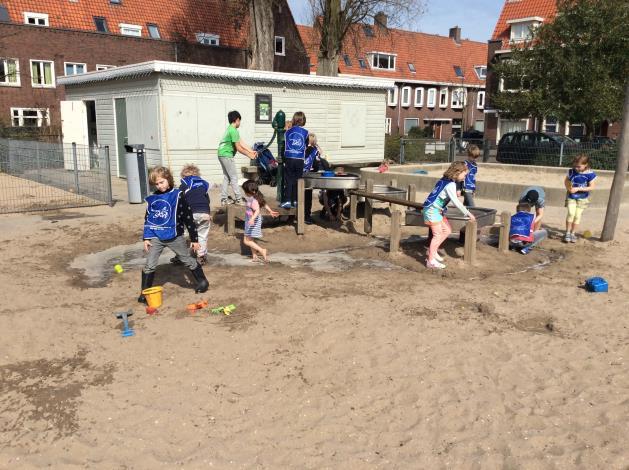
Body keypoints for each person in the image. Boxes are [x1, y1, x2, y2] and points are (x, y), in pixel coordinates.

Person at [138, 166, 209, 304]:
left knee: (187, 260)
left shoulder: (178, 195)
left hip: (175, 236)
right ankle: (144, 292)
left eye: (162, 182)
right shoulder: (154, 198)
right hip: (156, 237)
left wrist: (194, 239)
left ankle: (202, 281)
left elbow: (188, 217)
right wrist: (146, 237)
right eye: (156, 184)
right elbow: (148, 218)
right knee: (149, 265)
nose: (159, 186)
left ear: (168, 180)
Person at [422, 162, 475, 269]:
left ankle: (432, 251)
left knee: (447, 230)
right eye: (464, 175)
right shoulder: (451, 184)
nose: (465, 178)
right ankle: (430, 261)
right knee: (437, 234)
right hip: (432, 210)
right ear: (457, 172)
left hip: (436, 209)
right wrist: (468, 213)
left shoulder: (444, 180)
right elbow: (456, 202)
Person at [217, 110, 257, 206]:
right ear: (237, 120)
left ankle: (224, 199)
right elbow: (239, 148)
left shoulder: (231, 129)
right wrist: (249, 155)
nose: (240, 123)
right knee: (234, 177)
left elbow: (241, 143)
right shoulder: (233, 131)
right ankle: (239, 199)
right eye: (240, 121)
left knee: (227, 177)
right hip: (226, 155)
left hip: (221, 154)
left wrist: (251, 151)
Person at [179, 164, 211, 265]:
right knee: (202, 235)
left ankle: (181, 256)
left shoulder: (184, 183)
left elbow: (180, 198)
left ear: (183, 175)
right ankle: (201, 256)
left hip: (191, 212)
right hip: (205, 213)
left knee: (183, 234)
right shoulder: (202, 184)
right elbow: (207, 199)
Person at [241, 180, 279, 263]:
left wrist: (252, 219)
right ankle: (254, 256)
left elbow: (257, 210)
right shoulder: (255, 197)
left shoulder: (254, 201)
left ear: (250, 191)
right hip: (251, 220)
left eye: (245, 191)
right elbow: (264, 203)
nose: (244, 193)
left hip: (252, 220)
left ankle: (262, 250)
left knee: (246, 241)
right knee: (250, 238)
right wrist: (270, 211)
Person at [564, 154, 596, 243]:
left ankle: (573, 233)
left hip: (583, 198)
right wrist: (569, 188)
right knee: (571, 213)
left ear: (585, 165)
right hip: (572, 197)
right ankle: (567, 233)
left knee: (577, 216)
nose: (576, 168)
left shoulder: (590, 174)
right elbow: (566, 181)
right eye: (575, 166)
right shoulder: (571, 172)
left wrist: (578, 189)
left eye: (579, 166)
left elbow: (592, 187)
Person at [281, 111, 309, 209]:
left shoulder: (288, 132)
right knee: (298, 180)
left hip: (289, 157)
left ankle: (287, 200)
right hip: (300, 158)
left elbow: (284, 144)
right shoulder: (306, 133)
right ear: (303, 120)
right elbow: (306, 145)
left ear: (293, 119)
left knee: (289, 179)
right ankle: (296, 200)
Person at [303, 133, 329, 224]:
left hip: (300, 174)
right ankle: (306, 216)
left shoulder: (301, 149)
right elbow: (317, 164)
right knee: (307, 196)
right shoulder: (315, 150)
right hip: (309, 175)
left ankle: (298, 215)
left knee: (299, 196)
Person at [457, 144, 481, 243]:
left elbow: (473, 178)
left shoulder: (475, 165)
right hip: (466, 189)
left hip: (471, 189)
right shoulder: (465, 164)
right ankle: (475, 233)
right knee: (473, 210)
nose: (474, 159)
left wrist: (474, 189)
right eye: (473, 157)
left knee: (465, 211)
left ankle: (462, 238)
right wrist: (458, 189)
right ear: (469, 155)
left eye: (476, 157)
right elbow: (459, 177)